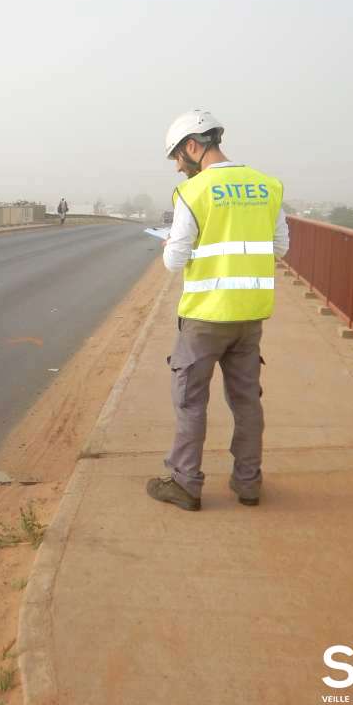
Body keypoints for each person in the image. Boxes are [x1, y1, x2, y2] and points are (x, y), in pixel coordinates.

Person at [146, 110, 290, 511]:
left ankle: (185, 483)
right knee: (246, 401)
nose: (178, 166)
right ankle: (248, 483)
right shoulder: (268, 186)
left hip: (205, 317)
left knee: (191, 401)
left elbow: (175, 261)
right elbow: (280, 248)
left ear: (194, 145)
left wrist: (174, 246)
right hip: (250, 317)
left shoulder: (194, 193)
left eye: (178, 156)